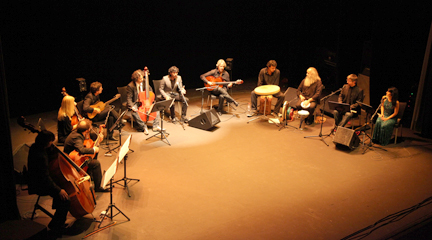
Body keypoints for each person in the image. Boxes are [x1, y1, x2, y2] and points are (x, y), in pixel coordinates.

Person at [27, 130, 71, 238]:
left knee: (62, 191)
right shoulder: (40, 156)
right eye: (51, 141)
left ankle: (58, 221)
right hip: (39, 184)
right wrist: (58, 190)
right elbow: (45, 179)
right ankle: (56, 228)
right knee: (65, 198)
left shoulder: (35, 146)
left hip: (40, 180)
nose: (52, 143)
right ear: (46, 142)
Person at [63, 119, 108, 192]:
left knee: (93, 155)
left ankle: (91, 174)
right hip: (73, 163)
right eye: (90, 127)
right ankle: (98, 187)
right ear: (87, 130)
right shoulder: (77, 137)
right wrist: (93, 150)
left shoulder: (77, 133)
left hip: (74, 158)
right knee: (96, 163)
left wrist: (97, 142)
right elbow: (82, 150)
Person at [126, 69, 162, 135]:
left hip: (146, 101)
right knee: (134, 113)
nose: (142, 79)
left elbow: (150, 90)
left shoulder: (145, 81)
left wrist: (150, 97)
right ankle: (143, 127)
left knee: (156, 108)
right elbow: (129, 99)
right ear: (136, 79)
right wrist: (132, 106)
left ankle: (155, 126)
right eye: (140, 79)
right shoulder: (130, 86)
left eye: (142, 77)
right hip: (136, 102)